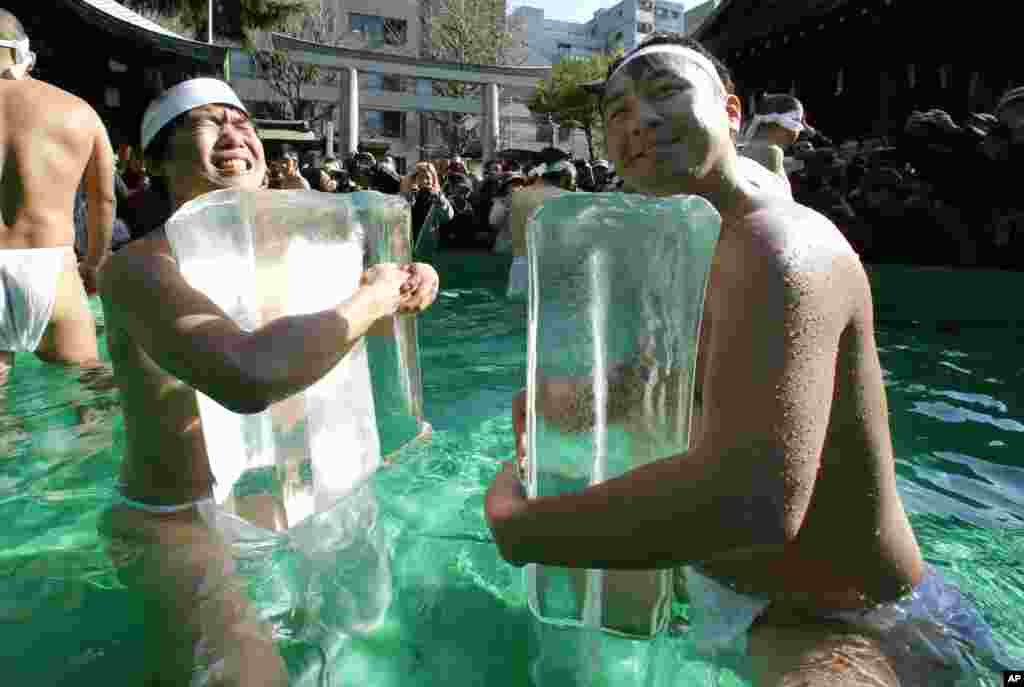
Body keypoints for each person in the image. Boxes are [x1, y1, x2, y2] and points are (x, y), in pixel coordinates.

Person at [484, 33, 1013, 685]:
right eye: (616, 111)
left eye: (665, 92)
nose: (639, 120)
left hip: (849, 624)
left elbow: (755, 495)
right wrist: (574, 402)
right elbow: (676, 377)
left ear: (731, 112)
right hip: (743, 602)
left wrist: (527, 527)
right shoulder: (681, 242)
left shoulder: (781, 247)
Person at [97, 78, 440, 686]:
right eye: (208, 124)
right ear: (155, 159)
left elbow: (344, 348)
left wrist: (407, 289)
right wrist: (370, 296)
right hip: (183, 519)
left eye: (243, 123)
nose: (235, 136)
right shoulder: (139, 268)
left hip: (304, 499)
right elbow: (246, 378)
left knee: (371, 648)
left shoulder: (295, 250)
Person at [0, 10, 113, 384]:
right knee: (89, 394)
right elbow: (103, 201)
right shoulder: (76, 110)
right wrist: (94, 262)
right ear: (23, 54)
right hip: (53, 266)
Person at [505, 161, 575, 299]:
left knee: (517, 314)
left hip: (519, 266)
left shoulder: (517, 195)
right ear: (563, 178)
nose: (573, 186)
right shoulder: (566, 197)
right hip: (547, 267)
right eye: (572, 181)